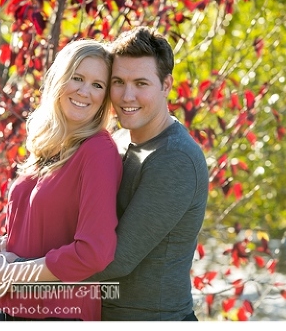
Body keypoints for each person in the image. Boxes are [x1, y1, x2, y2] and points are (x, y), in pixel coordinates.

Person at [0, 39, 123, 321]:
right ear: (59, 79)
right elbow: (48, 229)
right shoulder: (50, 146)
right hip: (12, 309)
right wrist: (4, 244)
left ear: (106, 97)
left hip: (58, 315)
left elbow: (93, 253)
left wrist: (13, 273)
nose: (84, 91)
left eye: (97, 85)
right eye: (77, 78)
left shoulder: (98, 151)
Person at [82, 26, 209, 321]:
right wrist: (13, 243)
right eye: (118, 82)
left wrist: (23, 269)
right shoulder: (118, 141)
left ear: (166, 85)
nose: (127, 96)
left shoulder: (175, 157)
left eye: (141, 83)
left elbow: (116, 260)